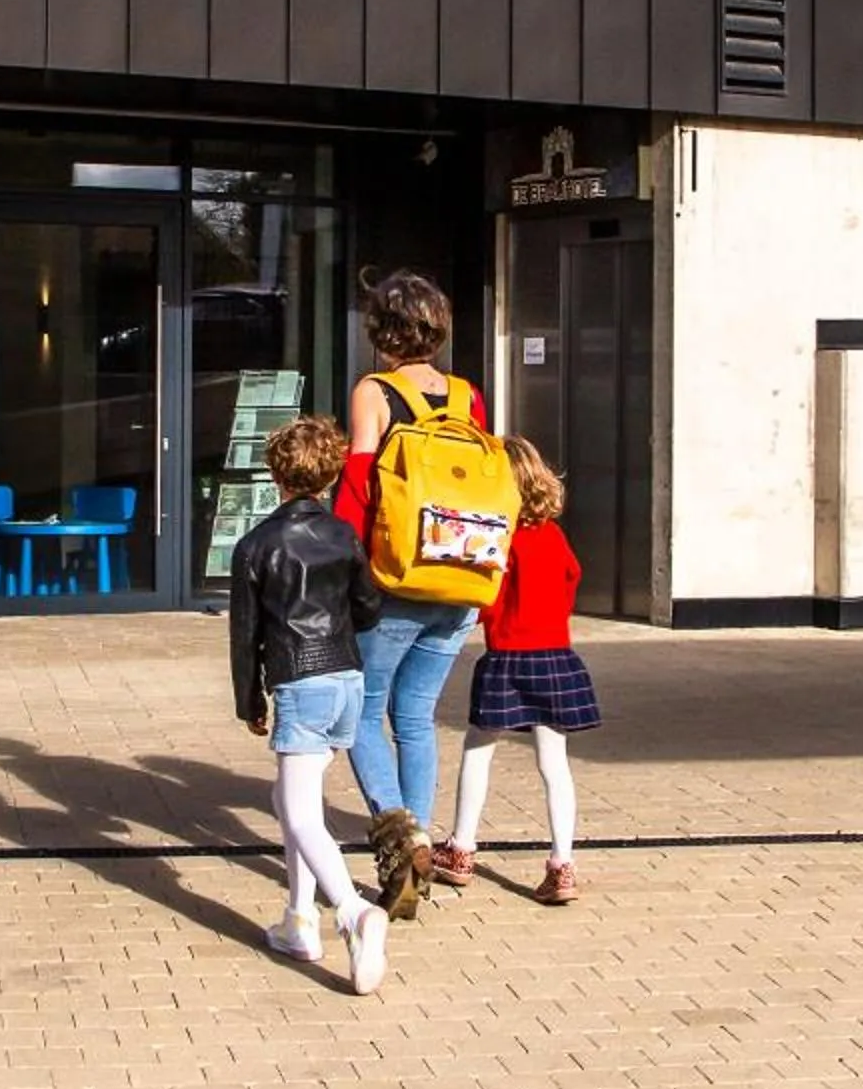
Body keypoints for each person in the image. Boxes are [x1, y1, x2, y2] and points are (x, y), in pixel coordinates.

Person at [335, 269, 487, 920]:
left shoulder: (374, 391)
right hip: (459, 581)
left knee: (362, 713)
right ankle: (420, 835)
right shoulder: (467, 396)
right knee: (416, 717)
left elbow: (358, 487)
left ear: (381, 332)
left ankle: (403, 842)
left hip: (394, 581)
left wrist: (341, 569)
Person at [229, 412, 391, 994]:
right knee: (291, 798)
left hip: (299, 681)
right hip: (347, 677)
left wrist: (249, 698)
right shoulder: (344, 535)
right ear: (331, 474)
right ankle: (298, 918)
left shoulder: (256, 545)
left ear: (275, 474)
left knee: (299, 813)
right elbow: (368, 606)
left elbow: (245, 634)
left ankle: (350, 911)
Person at [431, 435, 597, 905]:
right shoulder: (553, 534)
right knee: (554, 763)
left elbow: (487, 600)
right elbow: (571, 575)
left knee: (478, 748)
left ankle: (461, 848)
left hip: (506, 655)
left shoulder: (497, 537)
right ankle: (562, 864)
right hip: (554, 655)